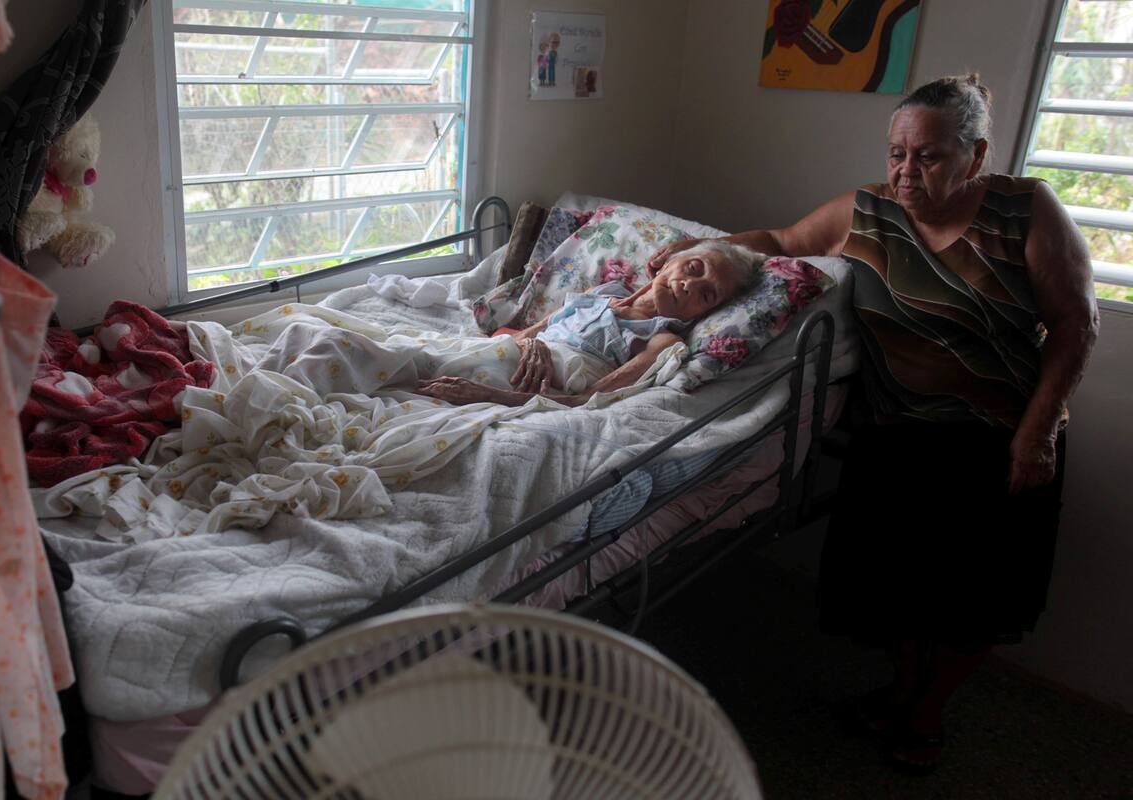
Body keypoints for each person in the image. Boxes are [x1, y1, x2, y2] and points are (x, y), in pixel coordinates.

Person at [647, 74, 1099, 773]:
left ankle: (925, 712)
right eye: (896, 154)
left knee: (972, 598)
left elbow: (1076, 324)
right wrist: (689, 256)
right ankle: (901, 689)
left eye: (929, 157)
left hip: (1000, 438)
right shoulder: (868, 211)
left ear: (975, 157)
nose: (905, 172)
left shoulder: (1024, 211)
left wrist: (1036, 434)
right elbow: (780, 239)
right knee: (895, 590)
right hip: (897, 432)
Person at [416, 240, 758, 407]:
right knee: (402, 356)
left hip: (512, 387)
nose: (688, 285)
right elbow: (528, 336)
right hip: (508, 357)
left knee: (401, 373)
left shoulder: (662, 341)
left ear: (702, 314)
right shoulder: (604, 291)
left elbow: (583, 402)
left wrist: (484, 395)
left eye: (707, 294)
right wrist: (531, 342)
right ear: (669, 262)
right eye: (694, 269)